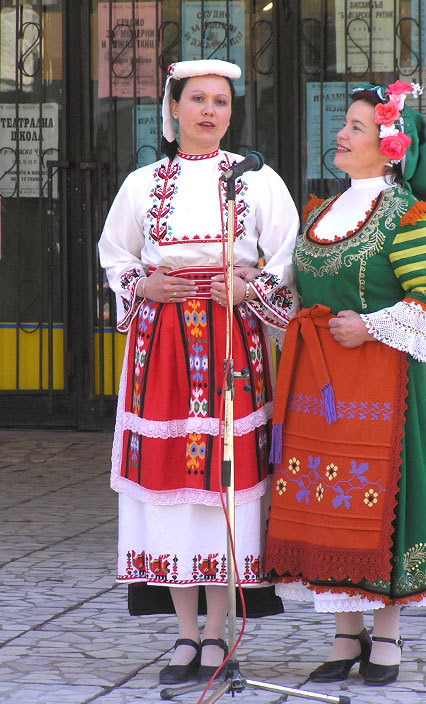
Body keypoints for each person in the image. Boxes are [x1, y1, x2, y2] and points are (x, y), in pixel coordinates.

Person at [98, 59, 299, 685]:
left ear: (231, 112)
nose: (209, 111)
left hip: (229, 348)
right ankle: (184, 634)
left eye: (220, 101)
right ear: (174, 109)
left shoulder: (256, 181)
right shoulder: (141, 183)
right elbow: (115, 253)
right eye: (197, 99)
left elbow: (291, 254)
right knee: (166, 487)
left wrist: (249, 286)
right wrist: (143, 283)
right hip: (160, 351)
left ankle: (219, 632)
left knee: (224, 485)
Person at [263, 80, 426, 687]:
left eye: (356, 127)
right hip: (318, 386)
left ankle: (388, 634)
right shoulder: (321, 210)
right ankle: (347, 632)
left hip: (382, 385)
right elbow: (295, 294)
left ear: (391, 145)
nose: (341, 135)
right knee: (329, 503)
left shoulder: (408, 216)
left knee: (381, 502)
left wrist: (369, 326)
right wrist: (250, 288)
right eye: (344, 124)